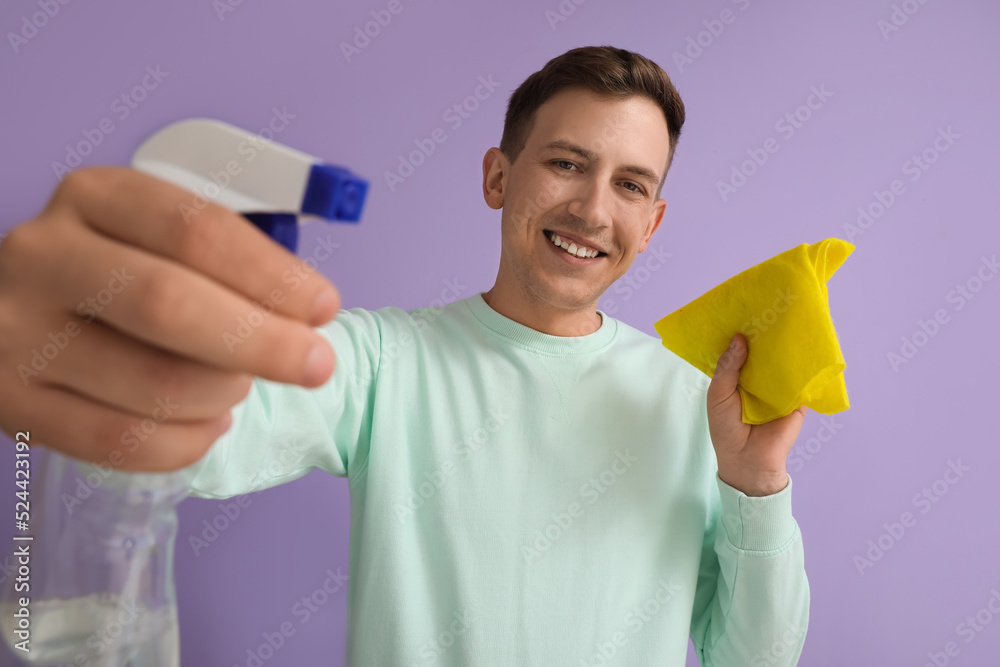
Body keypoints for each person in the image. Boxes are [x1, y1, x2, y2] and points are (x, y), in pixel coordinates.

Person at [0, 45, 809, 665]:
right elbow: (197, 436)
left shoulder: (692, 399)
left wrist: (757, 486)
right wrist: (118, 330)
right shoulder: (382, 360)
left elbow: (756, 655)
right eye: (566, 163)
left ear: (654, 221)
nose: (594, 209)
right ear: (498, 176)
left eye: (631, 185)